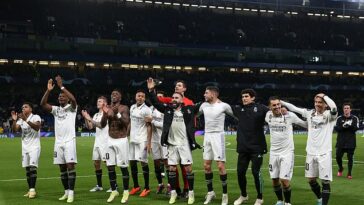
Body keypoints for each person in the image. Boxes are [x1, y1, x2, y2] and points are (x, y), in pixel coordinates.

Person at [147, 78, 201, 204]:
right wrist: (151, 90)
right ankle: (173, 193)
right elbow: (156, 102)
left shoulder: (188, 110)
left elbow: (202, 106)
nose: (173, 100)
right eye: (172, 98)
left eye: (176, 98)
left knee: (188, 169)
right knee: (171, 168)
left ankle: (191, 193)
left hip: (184, 144)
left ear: (182, 99)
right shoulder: (168, 110)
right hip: (171, 144)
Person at [281, 93, 337, 205]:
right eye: (316, 102)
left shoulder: (329, 116)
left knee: (325, 181)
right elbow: (294, 108)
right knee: (311, 179)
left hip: (324, 153)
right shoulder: (310, 113)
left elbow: (334, 107)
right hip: (310, 153)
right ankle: (320, 199)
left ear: (325, 105)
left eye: (320, 102)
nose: (317, 104)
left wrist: (324, 96)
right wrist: (281, 102)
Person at [40, 76, 78, 203]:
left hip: (69, 141)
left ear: (66, 98)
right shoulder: (56, 110)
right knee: (62, 168)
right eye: (59, 96)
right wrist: (48, 90)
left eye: (63, 96)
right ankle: (66, 192)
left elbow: (73, 99)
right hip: (58, 142)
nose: (61, 98)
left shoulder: (72, 108)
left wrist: (62, 86)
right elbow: (43, 104)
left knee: (70, 166)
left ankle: (72, 193)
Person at [153, 79, 192, 197]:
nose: (176, 87)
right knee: (173, 166)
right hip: (172, 139)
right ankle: (177, 189)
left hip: (183, 139)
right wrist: (152, 90)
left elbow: (191, 120)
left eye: (179, 85)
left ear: (184, 89)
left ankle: (186, 189)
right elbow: (157, 100)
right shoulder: (171, 100)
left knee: (184, 166)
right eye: (176, 85)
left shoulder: (189, 102)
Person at [265, 96, 307, 205]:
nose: (277, 107)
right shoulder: (267, 115)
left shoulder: (290, 116)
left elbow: (304, 124)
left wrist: (314, 120)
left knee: (284, 180)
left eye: (278, 104)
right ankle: (279, 200)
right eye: (274, 105)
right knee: (274, 179)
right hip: (273, 152)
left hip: (287, 152)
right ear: (269, 107)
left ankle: (287, 202)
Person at [198, 86, 236, 205]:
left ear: (213, 94)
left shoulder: (224, 106)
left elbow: (236, 116)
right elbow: (195, 115)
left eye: (206, 93)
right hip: (207, 136)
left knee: (220, 166)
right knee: (206, 166)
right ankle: (211, 192)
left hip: (218, 136)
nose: (204, 94)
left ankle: (225, 195)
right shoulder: (203, 105)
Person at [232, 89, 269, 205]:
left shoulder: (262, 108)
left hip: (257, 147)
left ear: (253, 97)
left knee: (255, 172)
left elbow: (273, 113)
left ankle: (260, 197)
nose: (244, 98)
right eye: (243, 96)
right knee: (240, 172)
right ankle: (243, 195)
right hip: (243, 147)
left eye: (246, 96)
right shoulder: (238, 109)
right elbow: (223, 107)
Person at [104, 89, 130, 203]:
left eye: (116, 94)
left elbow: (126, 122)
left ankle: (125, 191)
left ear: (120, 98)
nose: (113, 95)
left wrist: (116, 113)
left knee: (123, 167)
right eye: (112, 94)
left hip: (121, 140)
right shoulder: (107, 107)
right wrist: (105, 113)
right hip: (110, 139)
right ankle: (114, 190)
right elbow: (102, 124)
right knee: (110, 166)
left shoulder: (124, 108)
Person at [11, 103, 41, 199]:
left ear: (31, 109)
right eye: (22, 107)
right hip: (25, 147)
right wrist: (14, 120)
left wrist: (26, 119)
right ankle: (30, 190)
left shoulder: (36, 117)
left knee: (32, 167)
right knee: (28, 169)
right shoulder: (20, 119)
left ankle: (32, 190)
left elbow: (37, 128)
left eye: (25, 107)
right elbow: (15, 130)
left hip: (34, 147)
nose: (23, 108)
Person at [144, 91, 169, 194]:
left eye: (160, 97)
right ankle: (160, 184)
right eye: (157, 97)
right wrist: (148, 142)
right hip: (154, 140)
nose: (158, 99)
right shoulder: (150, 110)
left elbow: (166, 126)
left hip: (164, 140)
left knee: (167, 163)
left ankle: (170, 185)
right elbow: (148, 127)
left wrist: (152, 121)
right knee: (156, 164)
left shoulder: (166, 110)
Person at [82, 96, 109, 192]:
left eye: (100, 101)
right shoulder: (96, 114)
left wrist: (89, 118)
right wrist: (86, 118)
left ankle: (114, 186)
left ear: (105, 103)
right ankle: (99, 185)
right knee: (96, 163)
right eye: (97, 101)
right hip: (97, 142)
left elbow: (101, 125)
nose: (98, 102)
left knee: (107, 163)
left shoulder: (107, 113)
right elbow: (89, 127)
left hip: (105, 142)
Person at [128, 90, 152, 197]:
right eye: (139, 96)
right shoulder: (132, 107)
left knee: (143, 163)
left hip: (142, 140)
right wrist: (126, 135)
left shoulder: (147, 110)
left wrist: (149, 142)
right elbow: (130, 122)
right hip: (132, 139)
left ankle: (147, 188)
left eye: (142, 96)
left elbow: (149, 126)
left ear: (144, 98)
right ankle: (136, 186)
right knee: (132, 162)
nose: (140, 98)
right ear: (135, 97)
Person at [335, 102, 359, 179]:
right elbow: (336, 129)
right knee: (338, 157)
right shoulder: (339, 118)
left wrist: (349, 125)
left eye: (348, 108)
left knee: (350, 158)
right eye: (345, 108)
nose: (346, 109)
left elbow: (355, 129)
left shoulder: (355, 118)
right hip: (341, 142)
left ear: (350, 109)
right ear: (343, 109)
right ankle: (341, 168)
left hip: (351, 142)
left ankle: (349, 173)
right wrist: (343, 126)